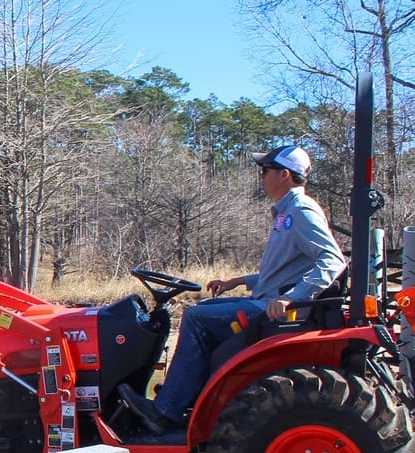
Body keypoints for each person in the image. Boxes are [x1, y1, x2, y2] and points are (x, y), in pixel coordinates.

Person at [119, 145, 347, 434]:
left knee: (196, 319)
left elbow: (332, 260)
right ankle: (184, 393)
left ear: (284, 174)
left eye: (264, 171)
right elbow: (282, 271)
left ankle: (165, 411)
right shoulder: (285, 213)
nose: (261, 176)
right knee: (202, 310)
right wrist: (237, 282)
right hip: (267, 299)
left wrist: (291, 299)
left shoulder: (300, 212)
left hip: (274, 310)